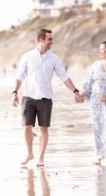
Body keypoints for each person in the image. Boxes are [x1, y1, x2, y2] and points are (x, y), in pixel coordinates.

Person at [12, 28, 82, 166]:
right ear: (41, 39)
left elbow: (64, 77)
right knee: (26, 127)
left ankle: (41, 158)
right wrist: (14, 93)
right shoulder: (27, 56)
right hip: (29, 96)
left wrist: (75, 91)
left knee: (44, 129)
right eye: (49, 39)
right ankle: (30, 154)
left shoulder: (54, 58)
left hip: (45, 97)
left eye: (52, 39)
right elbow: (19, 76)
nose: (52, 41)